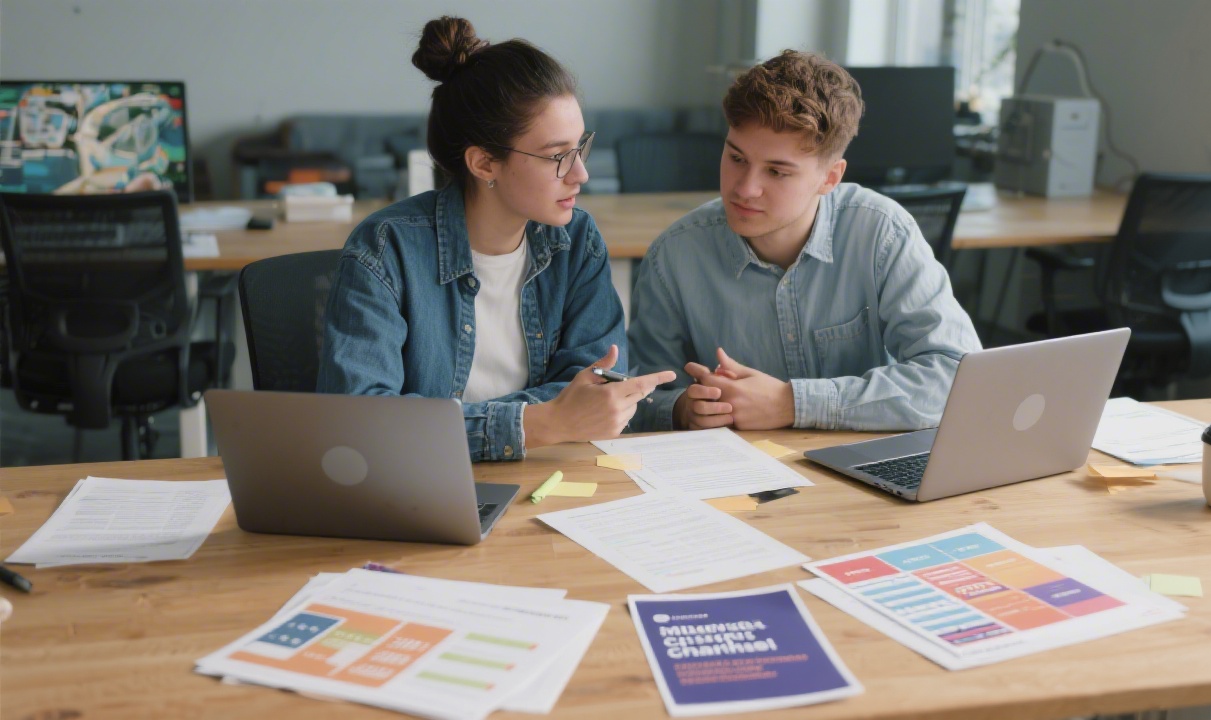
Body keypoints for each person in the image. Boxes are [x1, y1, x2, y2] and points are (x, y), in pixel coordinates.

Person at [318, 16, 674, 461]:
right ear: (484, 164)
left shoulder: (577, 240)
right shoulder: (385, 249)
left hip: (547, 474)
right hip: (417, 491)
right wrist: (543, 422)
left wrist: (462, 426)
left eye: (580, 147)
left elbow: (597, 391)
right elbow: (362, 425)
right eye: (557, 156)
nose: (581, 174)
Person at [627, 50, 981, 433]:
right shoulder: (674, 255)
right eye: (737, 158)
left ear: (830, 178)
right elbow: (639, 396)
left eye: (777, 171)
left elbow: (960, 379)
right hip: (738, 478)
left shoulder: (881, 232)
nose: (744, 189)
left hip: (861, 469)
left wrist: (791, 404)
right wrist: (681, 408)